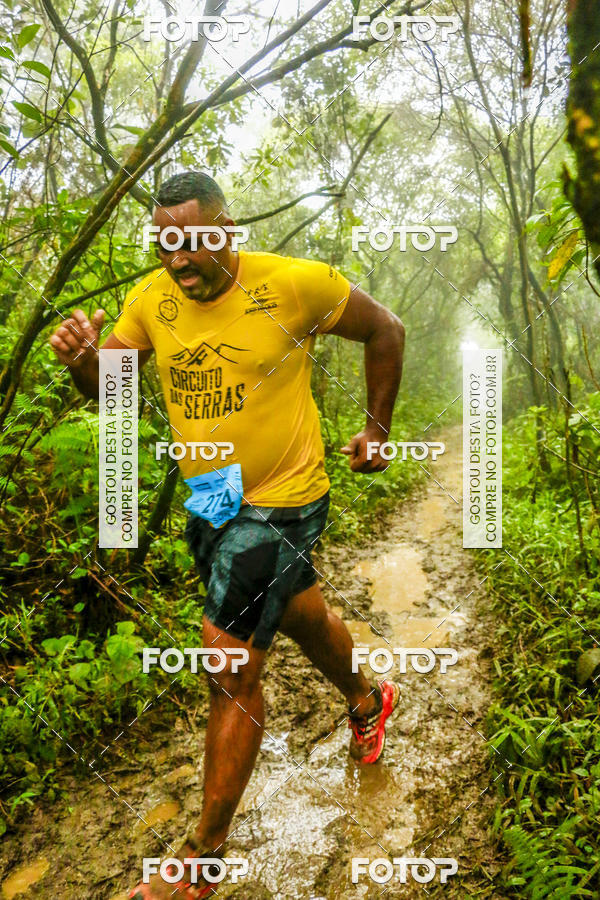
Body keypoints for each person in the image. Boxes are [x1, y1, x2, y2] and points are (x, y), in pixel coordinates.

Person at [49, 171, 406, 899]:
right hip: (211, 499)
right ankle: (369, 698)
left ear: (227, 229)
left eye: (194, 240)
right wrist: (89, 364)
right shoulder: (151, 299)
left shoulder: (295, 285)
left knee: (231, 663)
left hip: (285, 500)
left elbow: (385, 328)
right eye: (164, 243)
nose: (178, 259)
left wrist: (376, 429)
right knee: (301, 614)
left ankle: (201, 857)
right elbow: (111, 386)